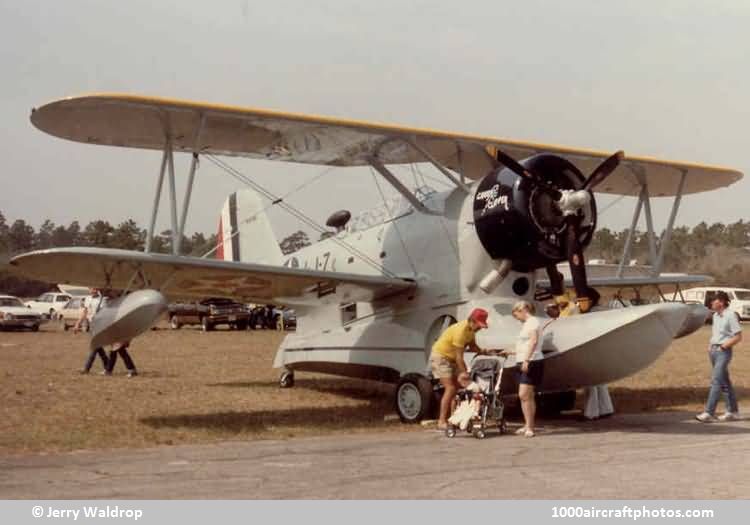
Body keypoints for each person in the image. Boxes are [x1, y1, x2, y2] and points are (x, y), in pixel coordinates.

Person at [430, 308, 492, 431]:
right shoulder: (461, 331)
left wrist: (484, 351)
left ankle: (454, 419)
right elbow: (459, 358)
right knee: (450, 388)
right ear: (472, 321)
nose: (480, 328)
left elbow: (473, 346)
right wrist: (465, 373)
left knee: (457, 389)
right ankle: (441, 421)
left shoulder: (471, 331)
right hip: (441, 357)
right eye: (479, 325)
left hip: (451, 359)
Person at [696, 291, 742, 422]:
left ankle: (709, 413)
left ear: (721, 302)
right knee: (724, 382)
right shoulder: (715, 316)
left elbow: (738, 336)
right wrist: (711, 345)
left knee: (716, 381)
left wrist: (723, 347)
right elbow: (716, 333)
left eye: (713, 300)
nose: (711, 303)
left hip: (723, 351)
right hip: (713, 351)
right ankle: (733, 412)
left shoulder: (731, 315)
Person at [507, 301, 544, 437]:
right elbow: (525, 344)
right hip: (523, 360)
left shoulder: (533, 322)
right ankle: (528, 424)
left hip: (531, 361)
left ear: (522, 310)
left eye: (516, 315)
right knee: (526, 396)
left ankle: (530, 427)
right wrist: (512, 352)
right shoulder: (527, 324)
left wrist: (527, 359)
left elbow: (534, 341)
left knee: (524, 394)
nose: (517, 318)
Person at [76, 288, 109, 374]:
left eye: (94, 288)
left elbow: (104, 313)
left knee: (94, 346)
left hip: (99, 325)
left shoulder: (102, 300)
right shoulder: (87, 299)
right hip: (91, 325)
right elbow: (85, 312)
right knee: (98, 347)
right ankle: (108, 365)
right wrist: (78, 324)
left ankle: (86, 368)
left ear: (97, 289)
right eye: (91, 288)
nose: (92, 290)